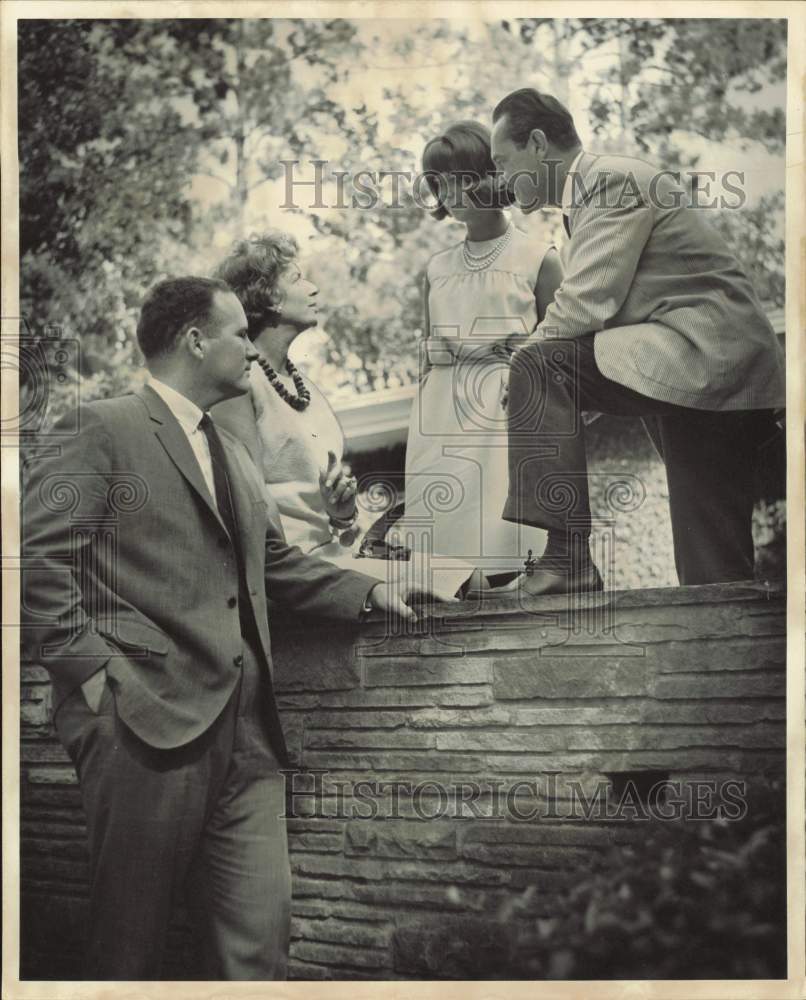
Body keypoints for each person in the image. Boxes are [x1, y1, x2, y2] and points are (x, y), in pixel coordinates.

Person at [21, 277, 450, 980]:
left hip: (249, 740)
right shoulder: (99, 426)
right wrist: (94, 677)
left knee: (259, 947)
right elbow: (33, 560)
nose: (253, 351)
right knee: (128, 953)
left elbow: (274, 564)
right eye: (239, 336)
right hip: (140, 728)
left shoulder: (235, 449)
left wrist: (377, 587)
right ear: (195, 340)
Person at [490, 88, 785, 593]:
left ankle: (566, 560)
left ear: (537, 144)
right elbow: (609, 319)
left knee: (539, 365)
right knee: (712, 577)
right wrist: (559, 400)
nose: (500, 177)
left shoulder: (610, 182)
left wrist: (532, 366)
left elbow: (586, 302)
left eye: (502, 160)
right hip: (710, 379)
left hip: (706, 361)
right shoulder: (588, 198)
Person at [211, 232, 475, 600]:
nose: (314, 288)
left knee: (467, 576)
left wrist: (342, 512)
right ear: (267, 296)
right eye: (297, 278)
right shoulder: (241, 385)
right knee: (450, 585)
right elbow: (247, 505)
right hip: (293, 572)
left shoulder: (304, 384)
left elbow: (331, 517)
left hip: (335, 554)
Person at [393, 120, 563, 587]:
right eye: (437, 183)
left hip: (505, 411)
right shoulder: (437, 268)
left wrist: (521, 352)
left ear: (489, 176)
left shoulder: (538, 257)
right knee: (446, 549)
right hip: (443, 413)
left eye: (458, 180)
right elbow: (427, 354)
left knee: (505, 543)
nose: (448, 194)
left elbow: (564, 347)